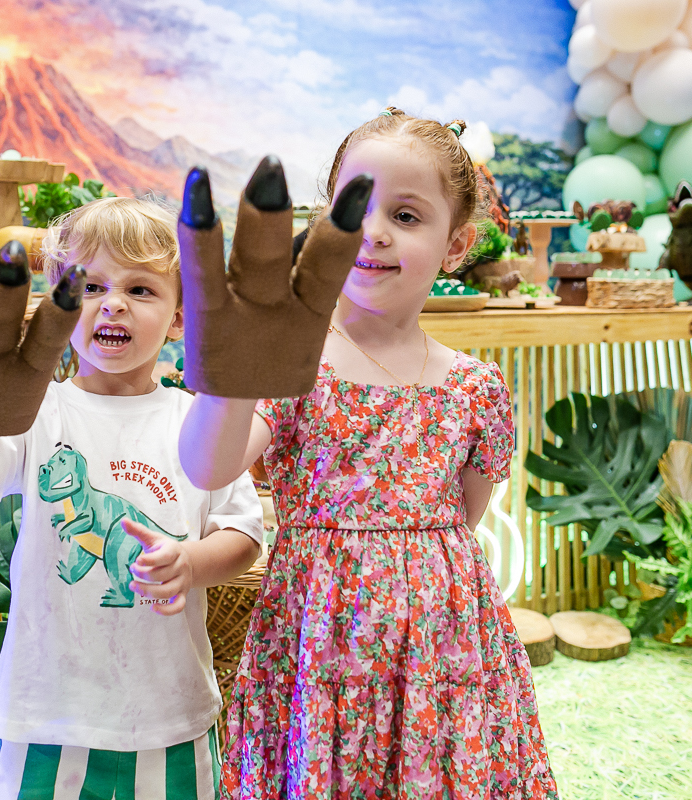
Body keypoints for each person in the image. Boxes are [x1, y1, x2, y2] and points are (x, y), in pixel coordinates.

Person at [176, 110, 559, 798]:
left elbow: (460, 524)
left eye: (407, 215)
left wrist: (404, 585)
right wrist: (235, 375)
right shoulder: (292, 365)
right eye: (354, 208)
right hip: (321, 649)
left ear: (456, 243)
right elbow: (208, 469)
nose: (375, 233)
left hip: (443, 659)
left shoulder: (477, 388)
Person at [0, 197, 264, 799]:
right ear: (58, 305)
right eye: (91, 285)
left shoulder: (201, 421)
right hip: (43, 709)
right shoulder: (36, 411)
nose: (114, 303)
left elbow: (243, 534)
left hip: (168, 712)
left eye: (141, 289)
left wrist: (190, 563)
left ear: (181, 317)